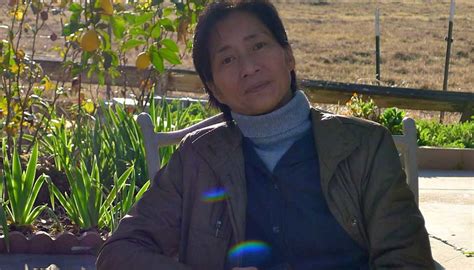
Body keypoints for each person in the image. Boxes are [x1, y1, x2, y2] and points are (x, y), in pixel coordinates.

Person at [96, 1, 434, 269]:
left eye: (258, 45)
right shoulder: (196, 159)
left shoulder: (365, 147)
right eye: (227, 59)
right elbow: (119, 253)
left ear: (288, 57)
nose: (248, 67)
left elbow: (407, 260)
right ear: (215, 88)